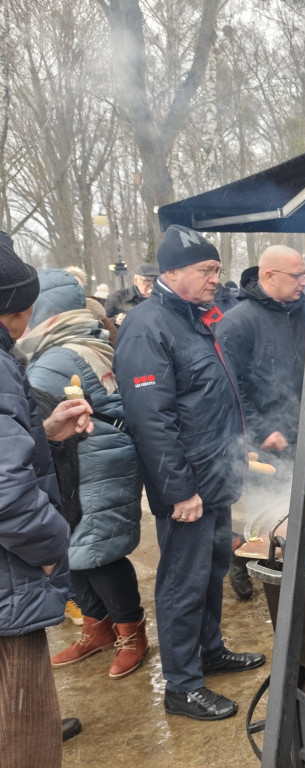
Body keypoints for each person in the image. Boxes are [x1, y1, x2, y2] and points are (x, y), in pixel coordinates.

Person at [114, 225, 265, 722]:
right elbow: (150, 419)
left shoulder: (197, 316)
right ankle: (182, 685)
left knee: (213, 570)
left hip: (215, 475)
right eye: (206, 270)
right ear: (172, 272)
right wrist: (179, 490)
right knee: (183, 583)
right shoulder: (148, 325)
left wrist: (238, 444)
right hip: (187, 485)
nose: (215, 278)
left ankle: (209, 651)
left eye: (217, 269)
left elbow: (211, 394)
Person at [17, 270, 148, 679]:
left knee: (98, 552)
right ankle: (98, 628)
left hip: (88, 462)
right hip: (92, 459)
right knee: (80, 549)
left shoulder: (56, 355)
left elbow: (26, 417)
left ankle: (131, 633)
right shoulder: (84, 338)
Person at [0, 235, 94, 767]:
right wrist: (54, 549)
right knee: (23, 731)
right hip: (8, 584)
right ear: (16, 309)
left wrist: (46, 431)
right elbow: (6, 493)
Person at [218, 247, 305, 597]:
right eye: (297, 276)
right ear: (269, 276)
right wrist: (261, 430)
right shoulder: (237, 322)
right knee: (272, 511)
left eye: (304, 275)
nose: (304, 282)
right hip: (265, 441)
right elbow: (230, 386)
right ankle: (248, 564)